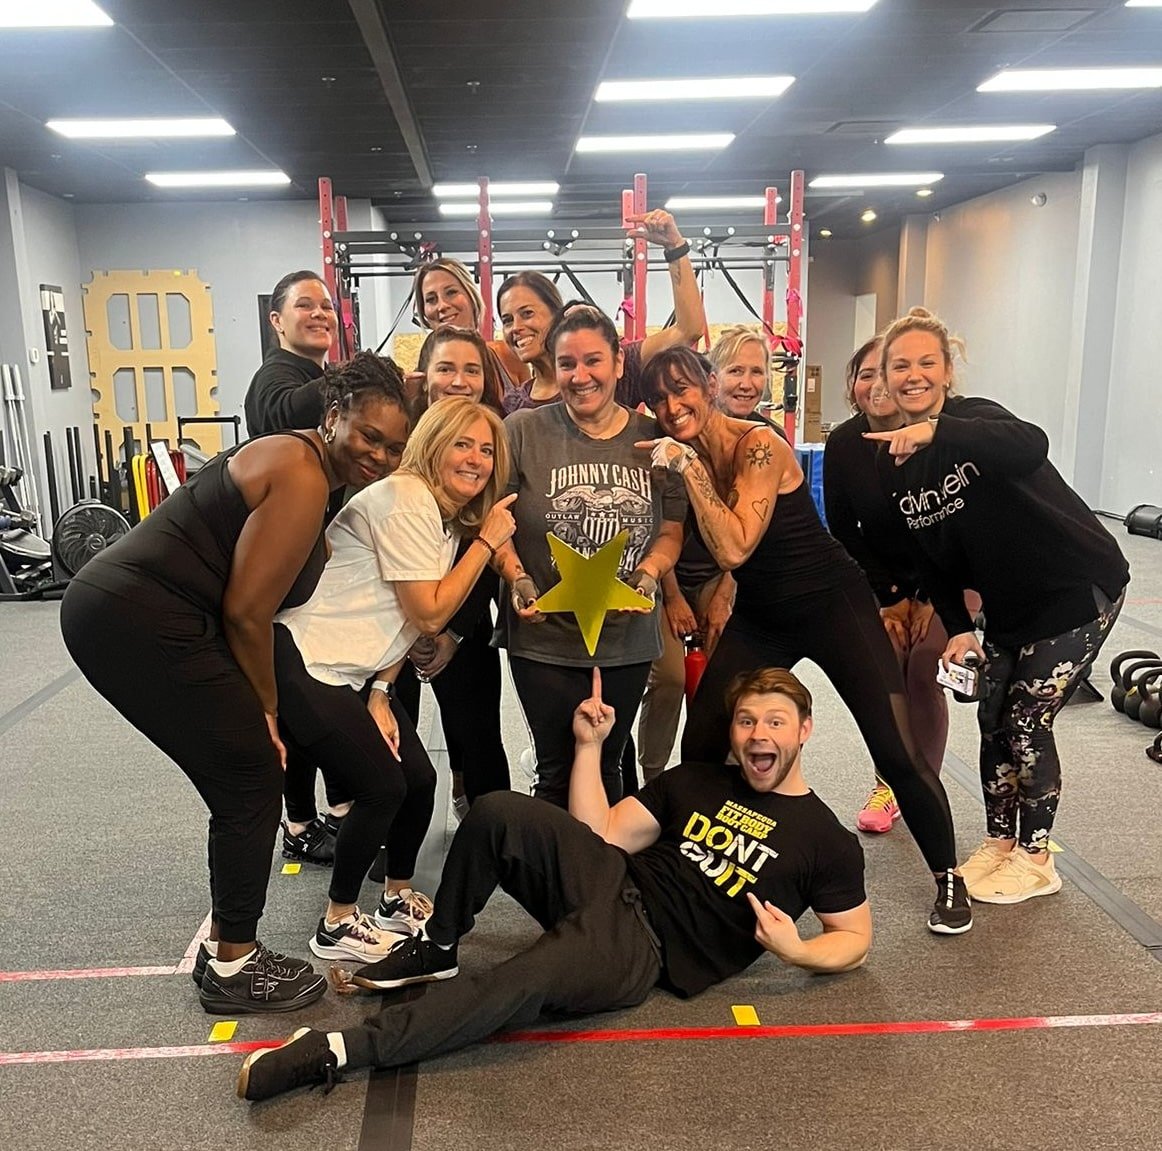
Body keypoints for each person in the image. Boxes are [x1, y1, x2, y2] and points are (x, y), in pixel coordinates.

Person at [235, 666, 871, 1101]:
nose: (759, 734)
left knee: (519, 979)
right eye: (747, 721)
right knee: (496, 811)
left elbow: (854, 937)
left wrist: (799, 951)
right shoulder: (698, 779)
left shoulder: (826, 840)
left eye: (776, 722)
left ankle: (338, 1050)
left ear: (805, 729)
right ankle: (439, 944)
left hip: (643, 949)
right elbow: (603, 832)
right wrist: (590, 747)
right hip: (610, 877)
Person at [60, 352, 413, 1013]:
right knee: (251, 772)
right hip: (132, 616)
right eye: (370, 436)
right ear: (334, 415)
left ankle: (227, 949)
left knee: (241, 775)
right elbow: (248, 612)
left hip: (142, 614)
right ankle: (235, 966)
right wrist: (268, 709)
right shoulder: (302, 473)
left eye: (395, 447)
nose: (382, 456)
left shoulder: (313, 471)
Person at [637, 346, 972, 934]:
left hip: (831, 603)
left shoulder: (760, 444)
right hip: (762, 614)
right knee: (703, 741)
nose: (672, 405)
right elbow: (688, 539)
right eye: (659, 398)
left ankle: (948, 875)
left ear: (709, 386)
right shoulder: (677, 454)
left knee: (894, 749)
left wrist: (688, 468)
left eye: (682, 389)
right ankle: (707, 863)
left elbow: (734, 546)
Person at [865, 307, 1129, 904]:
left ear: (947, 370)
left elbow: (1031, 444)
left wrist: (938, 430)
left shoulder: (975, 418)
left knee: (1027, 721)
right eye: (899, 365)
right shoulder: (893, 460)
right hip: (1008, 609)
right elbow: (931, 557)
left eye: (926, 363)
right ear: (884, 376)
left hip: (1075, 588)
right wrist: (959, 628)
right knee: (991, 720)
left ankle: (1037, 857)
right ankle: (999, 842)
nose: (913, 375)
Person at [273, 397, 515, 964]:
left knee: (419, 780)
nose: (476, 459)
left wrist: (383, 692)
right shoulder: (407, 502)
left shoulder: (440, 515)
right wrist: (487, 544)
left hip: (355, 671)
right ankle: (336, 923)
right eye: (462, 444)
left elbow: (404, 618)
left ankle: (396, 898)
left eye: (486, 450)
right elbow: (429, 614)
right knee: (382, 786)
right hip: (306, 660)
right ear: (433, 444)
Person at [492, 306, 687, 807]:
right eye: (567, 363)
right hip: (544, 637)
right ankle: (553, 860)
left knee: (608, 763)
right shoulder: (522, 430)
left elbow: (671, 530)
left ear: (619, 363)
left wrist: (648, 576)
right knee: (556, 769)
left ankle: (603, 858)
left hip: (626, 636)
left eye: (593, 360)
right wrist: (517, 578)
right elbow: (496, 524)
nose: (580, 376)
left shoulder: (655, 440)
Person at [824, 336, 952, 834]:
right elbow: (843, 529)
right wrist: (890, 598)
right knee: (887, 665)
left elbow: (949, 528)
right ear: (852, 385)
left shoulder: (932, 434)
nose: (876, 385)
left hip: (948, 573)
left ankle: (922, 787)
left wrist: (928, 598)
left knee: (924, 664)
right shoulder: (843, 443)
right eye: (865, 374)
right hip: (885, 581)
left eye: (886, 372)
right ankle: (889, 781)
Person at [244, 269, 348, 867]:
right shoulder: (276, 376)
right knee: (293, 694)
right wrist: (352, 381)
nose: (319, 313)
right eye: (305, 305)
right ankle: (300, 821)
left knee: (315, 685)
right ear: (276, 320)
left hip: (314, 555)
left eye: (326, 306)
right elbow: (283, 413)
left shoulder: (313, 376)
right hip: (282, 561)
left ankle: (326, 810)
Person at [398, 326, 512, 815]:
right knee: (393, 739)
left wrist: (454, 633)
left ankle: (491, 824)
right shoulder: (399, 440)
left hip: (465, 615)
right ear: (424, 376)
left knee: (479, 732)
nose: (460, 381)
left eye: (472, 370)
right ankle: (391, 833)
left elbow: (490, 545)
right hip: (395, 621)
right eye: (446, 368)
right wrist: (414, 631)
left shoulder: (492, 439)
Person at [500, 209, 705, 414]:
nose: (516, 327)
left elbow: (688, 329)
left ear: (556, 313)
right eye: (507, 320)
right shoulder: (515, 405)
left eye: (527, 313)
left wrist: (675, 247)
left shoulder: (616, 366)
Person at [413, 258, 527, 392]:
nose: (442, 306)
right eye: (431, 299)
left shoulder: (507, 357)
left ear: (471, 295)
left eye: (451, 292)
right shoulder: (417, 383)